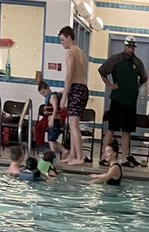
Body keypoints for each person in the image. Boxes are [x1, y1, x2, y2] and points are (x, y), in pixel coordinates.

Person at [98, 37, 147, 167]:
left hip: (130, 102)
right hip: (117, 99)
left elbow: (144, 78)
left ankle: (124, 158)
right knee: (111, 129)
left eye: (132, 47)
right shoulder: (115, 59)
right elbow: (102, 71)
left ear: (135, 48)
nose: (130, 49)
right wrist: (109, 84)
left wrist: (135, 88)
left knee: (127, 131)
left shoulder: (138, 63)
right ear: (124, 46)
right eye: (128, 47)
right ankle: (104, 156)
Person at [59, 27, 89, 166]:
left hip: (76, 89)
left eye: (62, 39)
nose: (62, 43)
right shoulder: (81, 52)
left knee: (74, 125)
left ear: (69, 37)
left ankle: (80, 157)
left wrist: (64, 95)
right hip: (83, 89)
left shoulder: (70, 52)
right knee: (72, 125)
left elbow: (70, 74)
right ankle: (72, 155)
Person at [35, 80, 61, 148]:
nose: (44, 95)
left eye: (44, 92)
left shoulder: (53, 96)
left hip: (55, 121)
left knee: (51, 140)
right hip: (52, 120)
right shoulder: (50, 96)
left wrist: (52, 119)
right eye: (42, 94)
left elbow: (55, 109)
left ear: (48, 88)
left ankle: (55, 154)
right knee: (51, 140)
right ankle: (63, 151)